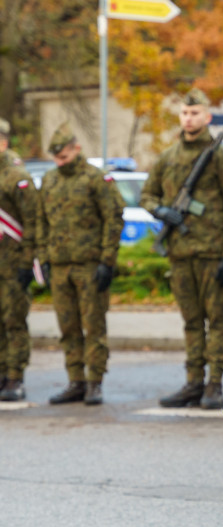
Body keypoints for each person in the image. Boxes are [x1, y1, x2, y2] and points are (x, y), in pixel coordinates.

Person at [141, 88, 223, 409]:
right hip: (180, 251)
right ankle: (193, 382)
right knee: (190, 321)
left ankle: (214, 383)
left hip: (213, 252)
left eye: (196, 113)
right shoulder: (168, 156)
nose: (190, 119)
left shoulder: (220, 155)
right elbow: (147, 195)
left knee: (215, 320)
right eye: (185, 114)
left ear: (206, 117)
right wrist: (162, 211)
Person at [37, 124, 124, 405]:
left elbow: (113, 217)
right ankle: (76, 381)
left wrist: (107, 260)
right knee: (68, 328)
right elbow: (41, 222)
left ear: (76, 149)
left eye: (63, 157)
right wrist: (45, 258)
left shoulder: (96, 179)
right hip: (60, 266)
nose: (60, 163)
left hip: (90, 266)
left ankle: (95, 382)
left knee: (93, 327)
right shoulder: (50, 180)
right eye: (56, 159)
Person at [0, 117, 40, 402]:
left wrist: (28, 263)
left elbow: (33, 222)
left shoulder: (16, 177)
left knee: (13, 320)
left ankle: (15, 376)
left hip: (12, 264)